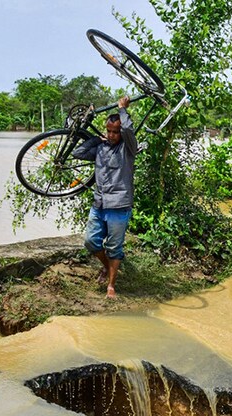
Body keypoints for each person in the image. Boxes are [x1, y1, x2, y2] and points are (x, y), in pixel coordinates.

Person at [72, 95, 138, 299]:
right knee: (91, 242)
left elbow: (128, 131)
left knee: (114, 247)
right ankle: (107, 266)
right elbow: (78, 153)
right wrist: (95, 139)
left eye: (115, 132)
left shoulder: (128, 149)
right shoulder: (100, 148)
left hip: (119, 205)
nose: (111, 136)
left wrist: (122, 110)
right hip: (99, 203)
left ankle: (111, 285)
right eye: (108, 131)